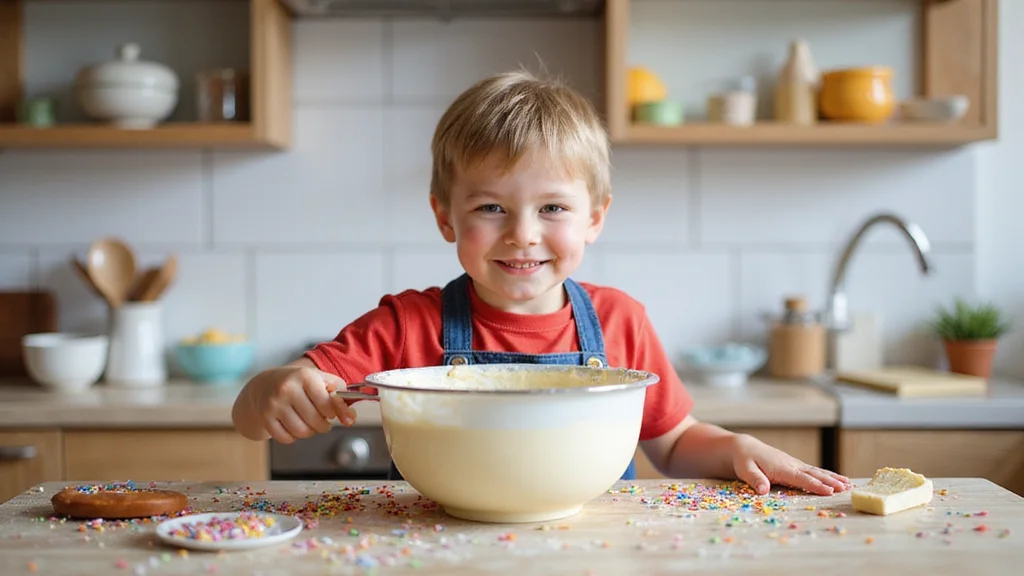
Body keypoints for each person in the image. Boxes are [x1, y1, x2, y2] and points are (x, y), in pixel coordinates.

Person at [231, 69, 851, 496]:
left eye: (552, 209)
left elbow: (675, 442)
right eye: (491, 208)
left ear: (595, 219)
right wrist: (277, 391)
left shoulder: (618, 322)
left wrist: (735, 446)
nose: (523, 234)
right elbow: (252, 413)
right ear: (445, 216)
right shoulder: (406, 324)